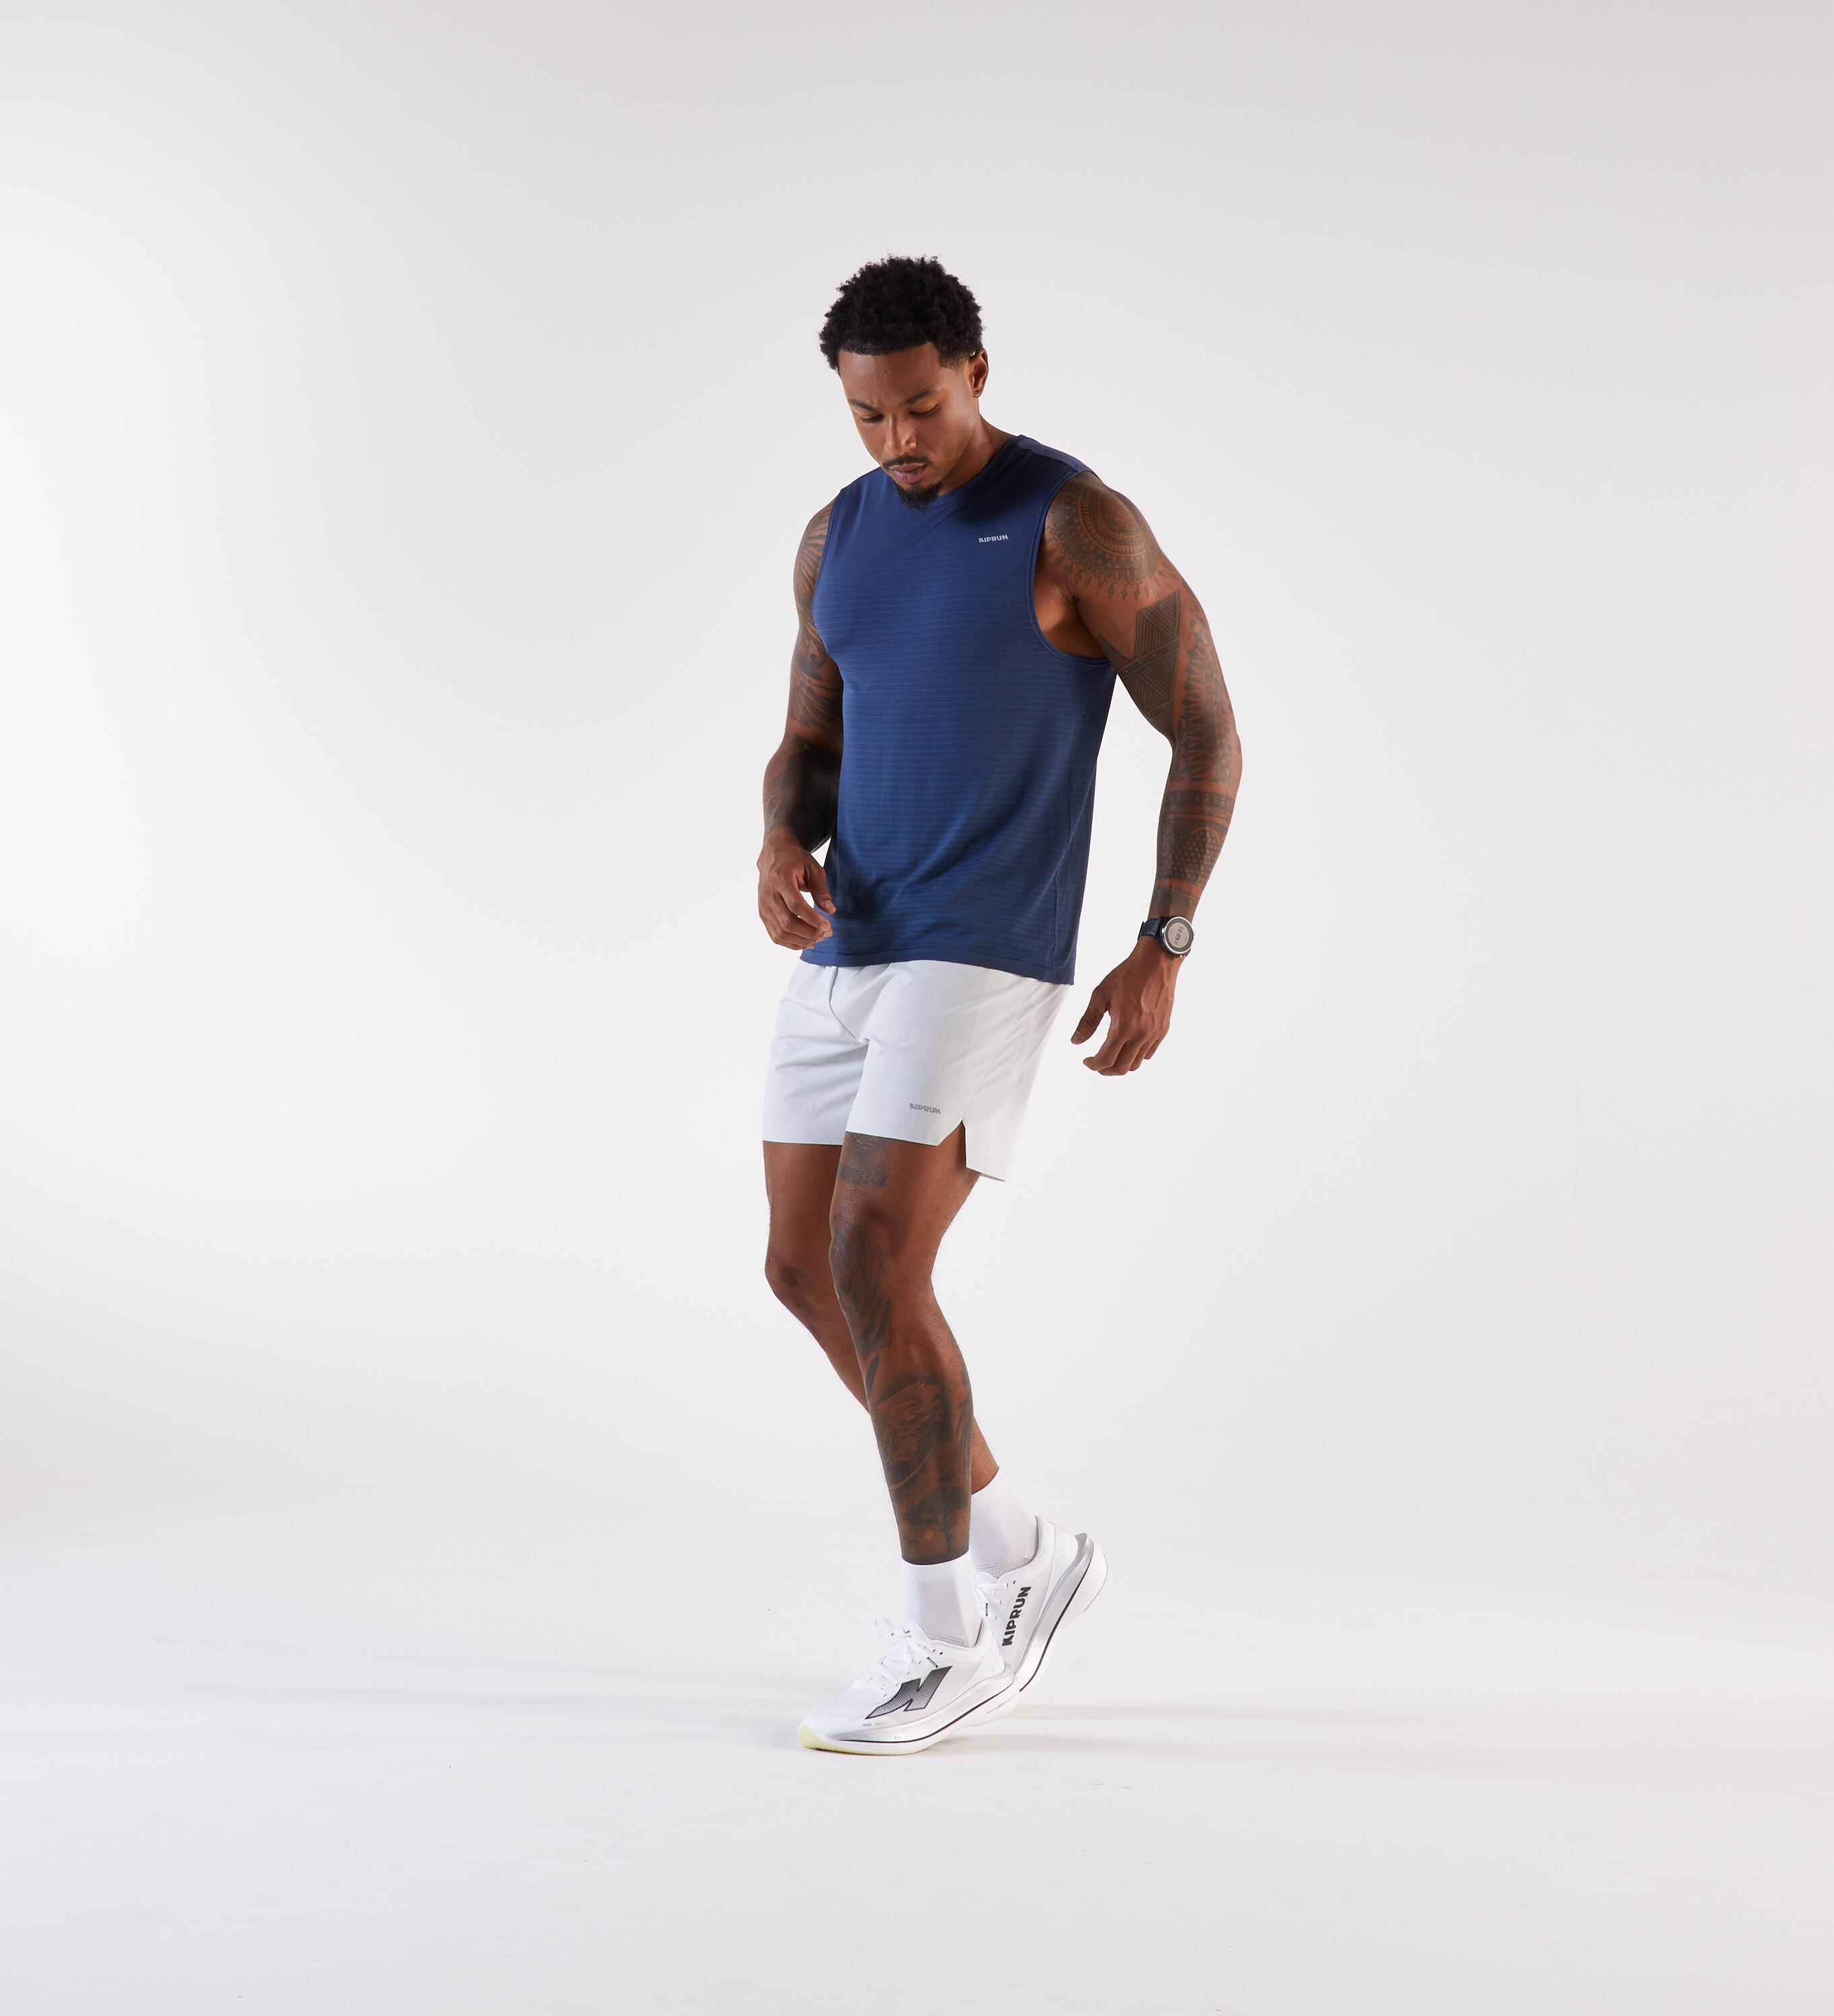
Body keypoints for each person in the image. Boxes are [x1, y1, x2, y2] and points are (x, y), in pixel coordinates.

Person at [757, 256, 1242, 1754]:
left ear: (975, 370)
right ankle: (1027, 1548)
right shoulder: (836, 535)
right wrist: (778, 840)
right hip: (854, 943)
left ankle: (945, 1638)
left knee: (875, 1257)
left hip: (983, 947)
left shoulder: (1072, 520)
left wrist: (1164, 939)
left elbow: (1208, 729)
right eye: (868, 417)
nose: (898, 441)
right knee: (802, 1267)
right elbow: (809, 742)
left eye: (922, 407)